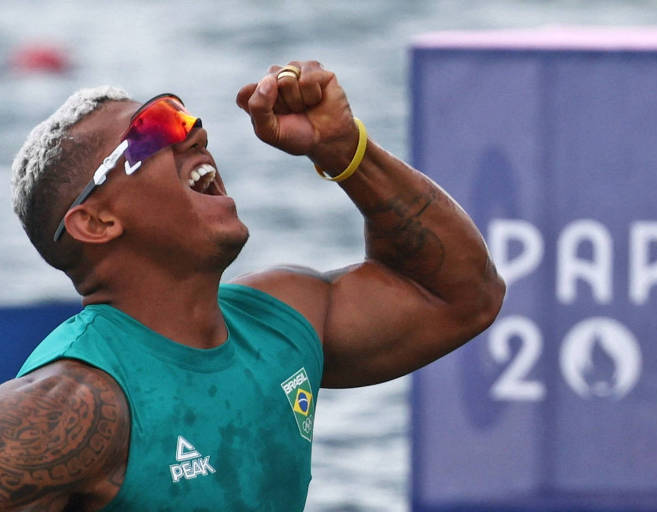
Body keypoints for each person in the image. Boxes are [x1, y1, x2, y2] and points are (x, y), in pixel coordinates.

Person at [0, 60, 505, 511]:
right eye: (152, 131)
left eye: (180, 115)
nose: (194, 132)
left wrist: (345, 150)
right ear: (97, 222)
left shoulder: (281, 322)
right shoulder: (67, 408)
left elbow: (460, 295)